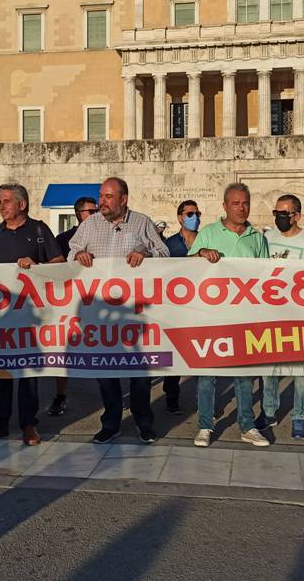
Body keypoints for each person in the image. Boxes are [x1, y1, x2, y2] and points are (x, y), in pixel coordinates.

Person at [69, 177, 170, 444]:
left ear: (123, 199)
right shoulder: (89, 225)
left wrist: (146, 255)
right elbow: (71, 253)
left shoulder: (142, 223)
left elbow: (165, 254)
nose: (102, 201)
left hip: (136, 314)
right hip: (101, 316)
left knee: (140, 375)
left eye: (108, 196)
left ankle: (143, 422)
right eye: (101, 196)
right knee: (106, 374)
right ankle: (111, 422)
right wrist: (78, 256)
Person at [0, 184, 64, 446]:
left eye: (6, 201)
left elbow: (59, 263)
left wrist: (37, 266)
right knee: (1, 373)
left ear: (21, 205)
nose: (1, 206)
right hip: (0, 317)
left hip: (30, 317)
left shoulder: (39, 230)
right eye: (0, 201)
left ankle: (28, 425)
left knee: (28, 376)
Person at [190, 182, 271, 448]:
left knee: (244, 376)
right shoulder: (208, 233)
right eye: (236, 203)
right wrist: (201, 253)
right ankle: (205, 425)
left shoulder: (257, 238)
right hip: (211, 316)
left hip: (245, 317)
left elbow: (266, 276)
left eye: (245, 203)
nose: (241, 208)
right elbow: (185, 268)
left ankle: (247, 426)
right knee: (207, 375)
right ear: (225, 206)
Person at [261, 194, 304, 440]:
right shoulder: (266, 239)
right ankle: (269, 411)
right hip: (270, 313)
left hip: (300, 315)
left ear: (297, 216)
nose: (280, 218)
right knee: (269, 370)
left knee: (302, 372)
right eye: (277, 213)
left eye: (284, 213)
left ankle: (299, 417)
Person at [47, 195, 98, 417]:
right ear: (79, 214)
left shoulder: (103, 234)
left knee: (104, 347)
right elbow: (54, 266)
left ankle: (109, 395)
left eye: (97, 211)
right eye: (91, 212)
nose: (95, 215)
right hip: (70, 302)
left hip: (98, 300)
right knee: (64, 350)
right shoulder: (63, 239)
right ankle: (61, 395)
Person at [161, 199, 203, 415]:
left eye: (197, 214)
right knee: (175, 354)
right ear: (180, 218)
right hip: (175, 308)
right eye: (190, 214)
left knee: (202, 353)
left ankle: (203, 399)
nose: (195, 218)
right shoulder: (169, 245)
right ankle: (171, 396)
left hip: (201, 305)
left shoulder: (206, 241)